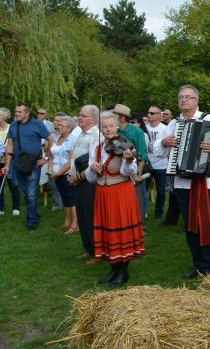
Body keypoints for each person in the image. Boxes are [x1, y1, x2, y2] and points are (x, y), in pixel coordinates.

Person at [154, 85, 210, 278]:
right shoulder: (173, 123)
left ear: (196, 100)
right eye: (181, 97)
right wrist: (164, 142)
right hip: (181, 182)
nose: (184, 100)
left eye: (188, 97)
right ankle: (197, 265)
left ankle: (207, 266)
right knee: (190, 225)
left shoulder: (207, 119)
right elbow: (157, 149)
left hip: (204, 183)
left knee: (204, 223)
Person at [86, 111, 144, 286]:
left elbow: (130, 173)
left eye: (111, 126)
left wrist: (128, 162)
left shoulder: (126, 145)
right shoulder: (96, 147)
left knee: (120, 231)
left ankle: (123, 272)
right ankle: (113, 269)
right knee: (108, 231)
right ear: (100, 129)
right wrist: (92, 169)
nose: (108, 129)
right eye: (105, 127)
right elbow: (90, 178)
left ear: (117, 126)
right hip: (102, 195)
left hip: (120, 194)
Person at [2, 103, 51, 231]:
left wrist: (45, 158)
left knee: (30, 194)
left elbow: (50, 139)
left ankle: (31, 224)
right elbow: (10, 145)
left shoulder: (37, 124)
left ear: (27, 113)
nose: (16, 114)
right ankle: (34, 214)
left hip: (33, 164)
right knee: (26, 192)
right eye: (16, 111)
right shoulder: (13, 125)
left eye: (19, 112)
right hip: (17, 165)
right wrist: (7, 164)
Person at [66, 105, 102, 263]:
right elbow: (75, 157)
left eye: (83, 115)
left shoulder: (96, 136)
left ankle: (97, 252)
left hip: (89, 182)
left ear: (93, 119)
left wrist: (77, 177)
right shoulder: (81, 134)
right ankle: (87, 249)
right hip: (78, 181)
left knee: (90, 217)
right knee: (81, 216)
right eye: (79, 115)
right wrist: (71, 175)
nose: (79, 118)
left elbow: (93, 164)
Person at [112, 104, 148, 232]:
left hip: (134, 169)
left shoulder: (137, 131)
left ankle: (141, 227)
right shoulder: (114, 131)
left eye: (114, 115)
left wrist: (138, 174)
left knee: (138, 199)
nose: (112, 117)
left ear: (121, 117)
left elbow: (142, 154)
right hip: (118, 172)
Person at [48, 116, 78, 234]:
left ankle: (75, 225)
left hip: (67, 174)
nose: (58, 126)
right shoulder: (57, 138)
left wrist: (58, 173)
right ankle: (67, 222)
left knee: (71, 199)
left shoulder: (72, 140)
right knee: (64, 198)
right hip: (56, 174)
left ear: (69, 128)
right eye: (58, 125)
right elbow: (51, 156)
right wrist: (50, 170)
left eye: (61, 125)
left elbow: (70, 161)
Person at [145, 105, 168, 219]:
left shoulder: (165, 129)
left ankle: (158, 211)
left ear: (159, 116)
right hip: (147, 164)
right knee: (143, 190)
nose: (149, 114)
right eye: (148, 112)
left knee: (161, 191)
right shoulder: (144, 128)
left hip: (161, 164)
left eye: (152, 113)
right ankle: (142, 212)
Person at [0, 107, 19, 216]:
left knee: (13, 183)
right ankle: (1, 208)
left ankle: (16, 207)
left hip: (10, 160)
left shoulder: (11, 128)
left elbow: (15, 144)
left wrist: (7, 150)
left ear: (4, 117)